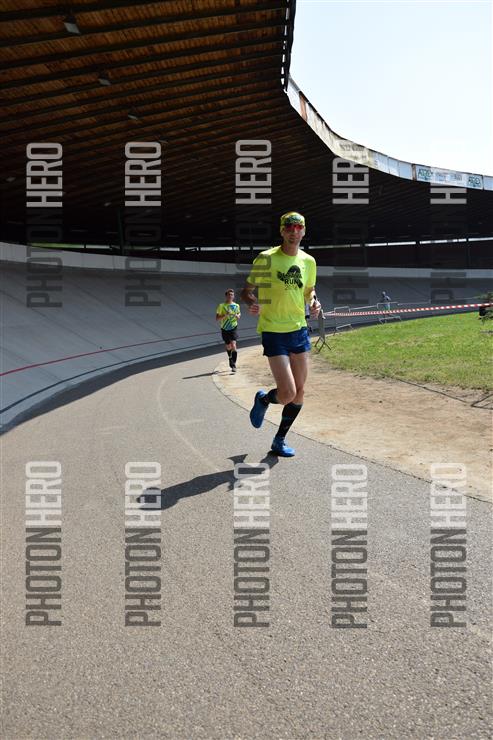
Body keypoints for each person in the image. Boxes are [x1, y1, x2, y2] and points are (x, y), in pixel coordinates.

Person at [240, 211, 320, 457]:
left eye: (298, 227)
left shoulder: (308, 261)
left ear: (304, 231)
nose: (294, 232)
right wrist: (251, 302)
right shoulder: (266, 259)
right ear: (282, 231)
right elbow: (246, 291)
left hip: (298, 329)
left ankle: (279, 440)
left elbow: (309, 290)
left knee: (300, 391)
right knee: (287, 394)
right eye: (289, 227)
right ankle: (264, 400)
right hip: (273, 330)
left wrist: (314, 302)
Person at [216, 288, 241, 372]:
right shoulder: (221, 306)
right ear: (226, 296)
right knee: (228, 346)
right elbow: (217, 318)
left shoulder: (236, 305)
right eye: (229, 295)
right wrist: (225, 315)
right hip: (224, 328)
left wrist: (238, 316)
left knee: (233, 345)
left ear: (233, 296)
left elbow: (238, 313)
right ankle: (230, 358)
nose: (230, 296)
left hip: (233, 327)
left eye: (232, 295)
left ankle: (233, 365)